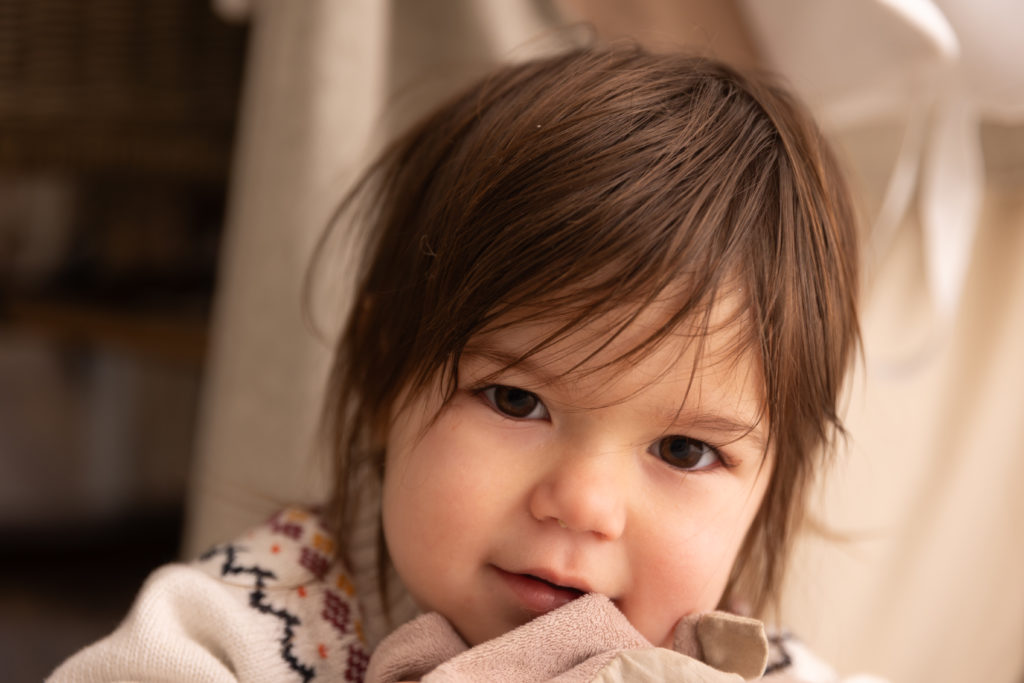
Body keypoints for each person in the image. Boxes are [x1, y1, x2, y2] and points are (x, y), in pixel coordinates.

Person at [50, 45, 860, 682]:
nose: (583, 504)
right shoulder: (244, 631)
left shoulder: (743, 666)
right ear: (380, 378)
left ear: (769, 486)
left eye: (684, 450)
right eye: (514, 399)